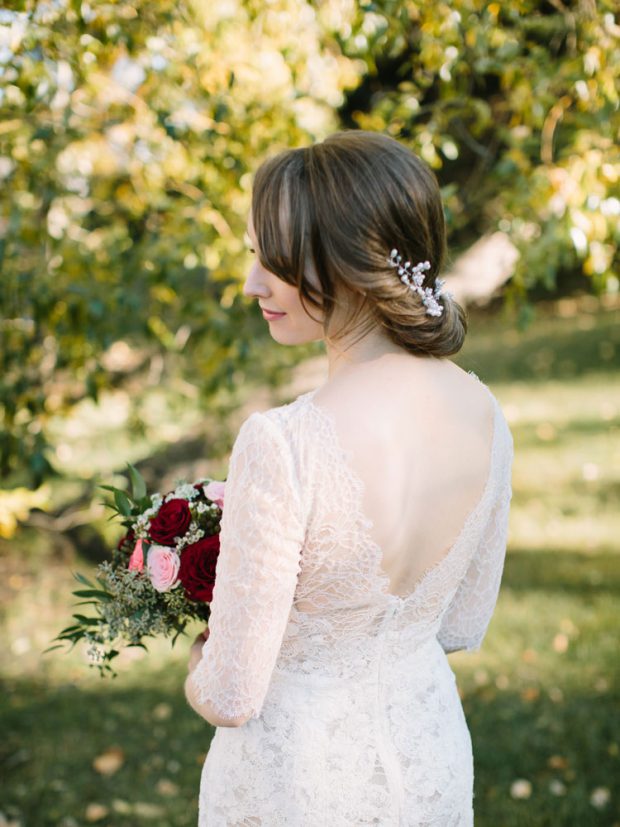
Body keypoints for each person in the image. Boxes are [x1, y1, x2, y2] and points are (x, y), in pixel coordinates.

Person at [184, 130, 514, 825]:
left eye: (273, 261)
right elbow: (460, 621)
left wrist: (200, 652)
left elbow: (233, 693)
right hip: (428, 758)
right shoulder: (486, 415)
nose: (252, 284)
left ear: (349, 263)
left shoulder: (284, 441)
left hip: (294, 785)